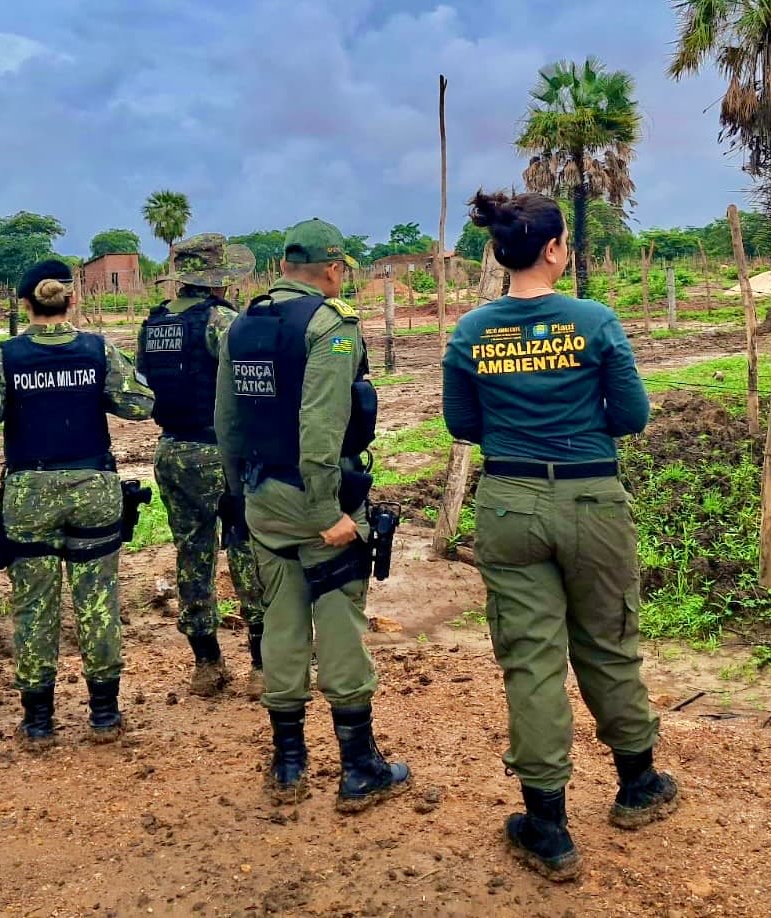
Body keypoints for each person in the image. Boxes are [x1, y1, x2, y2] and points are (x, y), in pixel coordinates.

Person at [442, 191, 676, 881]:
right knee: (608, 643)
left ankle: (547, 827)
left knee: (532, 662)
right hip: (592, 498)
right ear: (553, 249)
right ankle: (638, 785)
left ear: (499, 252)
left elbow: (463, 425)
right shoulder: (594, 321)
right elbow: (631, 416)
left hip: (509, 504)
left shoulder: (471, 331)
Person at [215, 218, 411, 812]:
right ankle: (359, 768)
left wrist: (238, 496)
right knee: (339, 621)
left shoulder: (241, 325)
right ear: (330, 269)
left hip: (263, 498)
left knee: (281, 620)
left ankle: (288, 764)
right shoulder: (330, 325)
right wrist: (329, 512)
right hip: (318, 500)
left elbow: (227, 423)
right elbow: (321, 427)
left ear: (282, 267)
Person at [0, 259, 154, 745]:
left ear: (24, 303)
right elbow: (141, 405)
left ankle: (39, 721)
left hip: (29, 495)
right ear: (73, 299)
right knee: (98, 599)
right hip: (93, 488)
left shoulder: (6, 356)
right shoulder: (97, 350)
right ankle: (105, 715)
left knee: (33, 605)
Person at [138, 234, 266, 699]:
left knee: (192, 554)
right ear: (219, 278)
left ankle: (206, 663)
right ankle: (262, 664)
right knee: (245, 549)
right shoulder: (221, 321)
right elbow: (249, 379)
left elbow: (146, 383)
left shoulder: (155, 323)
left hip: (171, 451)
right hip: (219, 453)